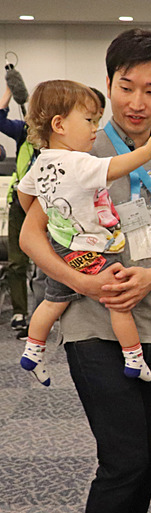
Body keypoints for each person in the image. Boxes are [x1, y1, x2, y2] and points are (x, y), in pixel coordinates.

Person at [19, 28, 151, 513]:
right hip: (91, 327)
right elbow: (31, 239)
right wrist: (84, 285)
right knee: (123, 462)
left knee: (146, 463)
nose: (137, 102)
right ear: (108, 82)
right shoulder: (75, 148)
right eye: (126, 86)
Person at [17, 80, 151, 387]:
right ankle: (134, 358)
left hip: (61, 244)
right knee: (117, 294)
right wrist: (149, 151)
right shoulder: (78, 162)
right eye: (89, 120)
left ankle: (33, 350)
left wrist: (55, 218)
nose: (95, 128)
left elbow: (25, 196)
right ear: (59, 124)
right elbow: (117, 167)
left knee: (54, 299)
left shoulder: (42, 162)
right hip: (85, 250)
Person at [0, 82, 35, 338]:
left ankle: (50, 310)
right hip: (20, 204)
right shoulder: (24, 131)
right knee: (16, 263)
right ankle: (20, 313)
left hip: (50, 206)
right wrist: (10, 89)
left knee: (49, 265)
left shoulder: (60, 134)